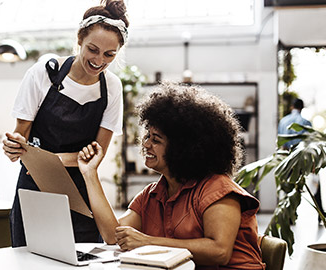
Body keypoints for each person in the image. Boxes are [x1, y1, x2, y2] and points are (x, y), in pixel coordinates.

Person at [78, 82, 265, 269]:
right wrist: (90, 173)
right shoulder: (152, 194)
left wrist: (148, 241)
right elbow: (113, 236)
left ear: (183, 148)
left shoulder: (218, 189)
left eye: (156, 139)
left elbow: (219, 252)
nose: (146, 144)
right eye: (147, 136)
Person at [2, 0, 128, 247]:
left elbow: (97, 154)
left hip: (82, 191)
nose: (99, 60)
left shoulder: (112, 87)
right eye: (92, 49)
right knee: (31, 260)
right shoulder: (44, 73)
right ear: (79, 39)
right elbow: (20, 139)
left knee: (83, 259)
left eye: (109, 54)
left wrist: (51, 159)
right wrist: (13, 147)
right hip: (35, 186)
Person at [277, 98, 325, 222]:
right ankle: (320, 214)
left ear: (292, 107)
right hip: (303, 160)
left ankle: (289, 216)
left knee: (289, 188)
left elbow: (281, 144)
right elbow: (310, 145)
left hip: (288, 159)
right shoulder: (306, 122)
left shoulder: (283, 121)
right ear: (302, 108)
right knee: (314, 186)